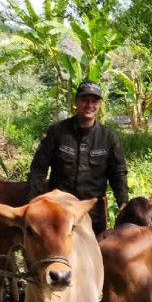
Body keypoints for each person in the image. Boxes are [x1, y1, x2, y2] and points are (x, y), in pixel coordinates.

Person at [26, 80, 129, 235]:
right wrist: (31, 203)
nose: (89, 105)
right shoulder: (58, 132)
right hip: (59, 210)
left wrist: (123, 202)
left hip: (92, 212)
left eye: (94, 101)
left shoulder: (108, 137)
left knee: (94, 256)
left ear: (99, 105)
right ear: (76, 101)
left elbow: (118, 174)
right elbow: (38, 170)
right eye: (84, 100)